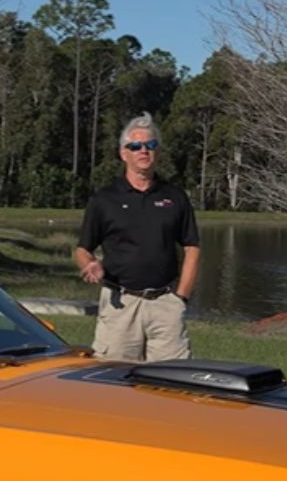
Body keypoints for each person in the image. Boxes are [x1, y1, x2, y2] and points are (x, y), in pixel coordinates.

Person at [74, 112, 200, 362]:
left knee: (172, 384)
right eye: (136, 146)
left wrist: (181, 298)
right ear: (124, 153)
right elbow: (82, 248)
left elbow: (192, 247)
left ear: (157, 152)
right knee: (114, 383)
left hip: (165, 304)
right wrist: (89, 263)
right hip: (120, 304)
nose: (144, 150)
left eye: (150, 145)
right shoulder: (104, 200)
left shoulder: (174, 197)